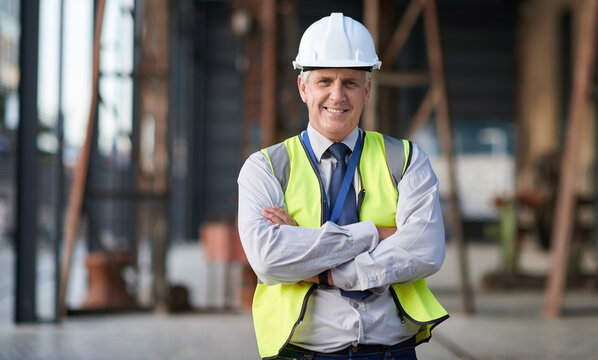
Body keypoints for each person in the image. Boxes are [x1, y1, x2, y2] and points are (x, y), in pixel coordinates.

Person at [238, 13, 448, 360]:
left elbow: (424, 249)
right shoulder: (266, 168)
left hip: (391, 352)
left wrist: (322, 272)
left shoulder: (407, 159)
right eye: (324, 81)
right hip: (306, 352)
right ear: (303, 87)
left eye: (350, 82)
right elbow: (269, 258)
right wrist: (374, 234)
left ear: (367, 89)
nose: (337, 95)